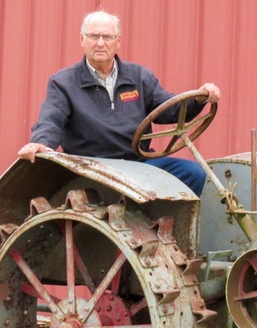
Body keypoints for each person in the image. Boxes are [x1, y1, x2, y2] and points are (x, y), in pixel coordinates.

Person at [17, 10, 220, 196]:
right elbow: (51, 117)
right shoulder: (63, 83)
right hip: (91, 168)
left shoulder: (139, 77)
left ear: (118, 41)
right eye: (93, 36)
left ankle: (164, 228)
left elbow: (170, 110)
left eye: (107, 37)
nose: (100, 43)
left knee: (195, 174)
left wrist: (197, 100)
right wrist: (42, 142)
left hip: (138, 162)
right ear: (82, 39)